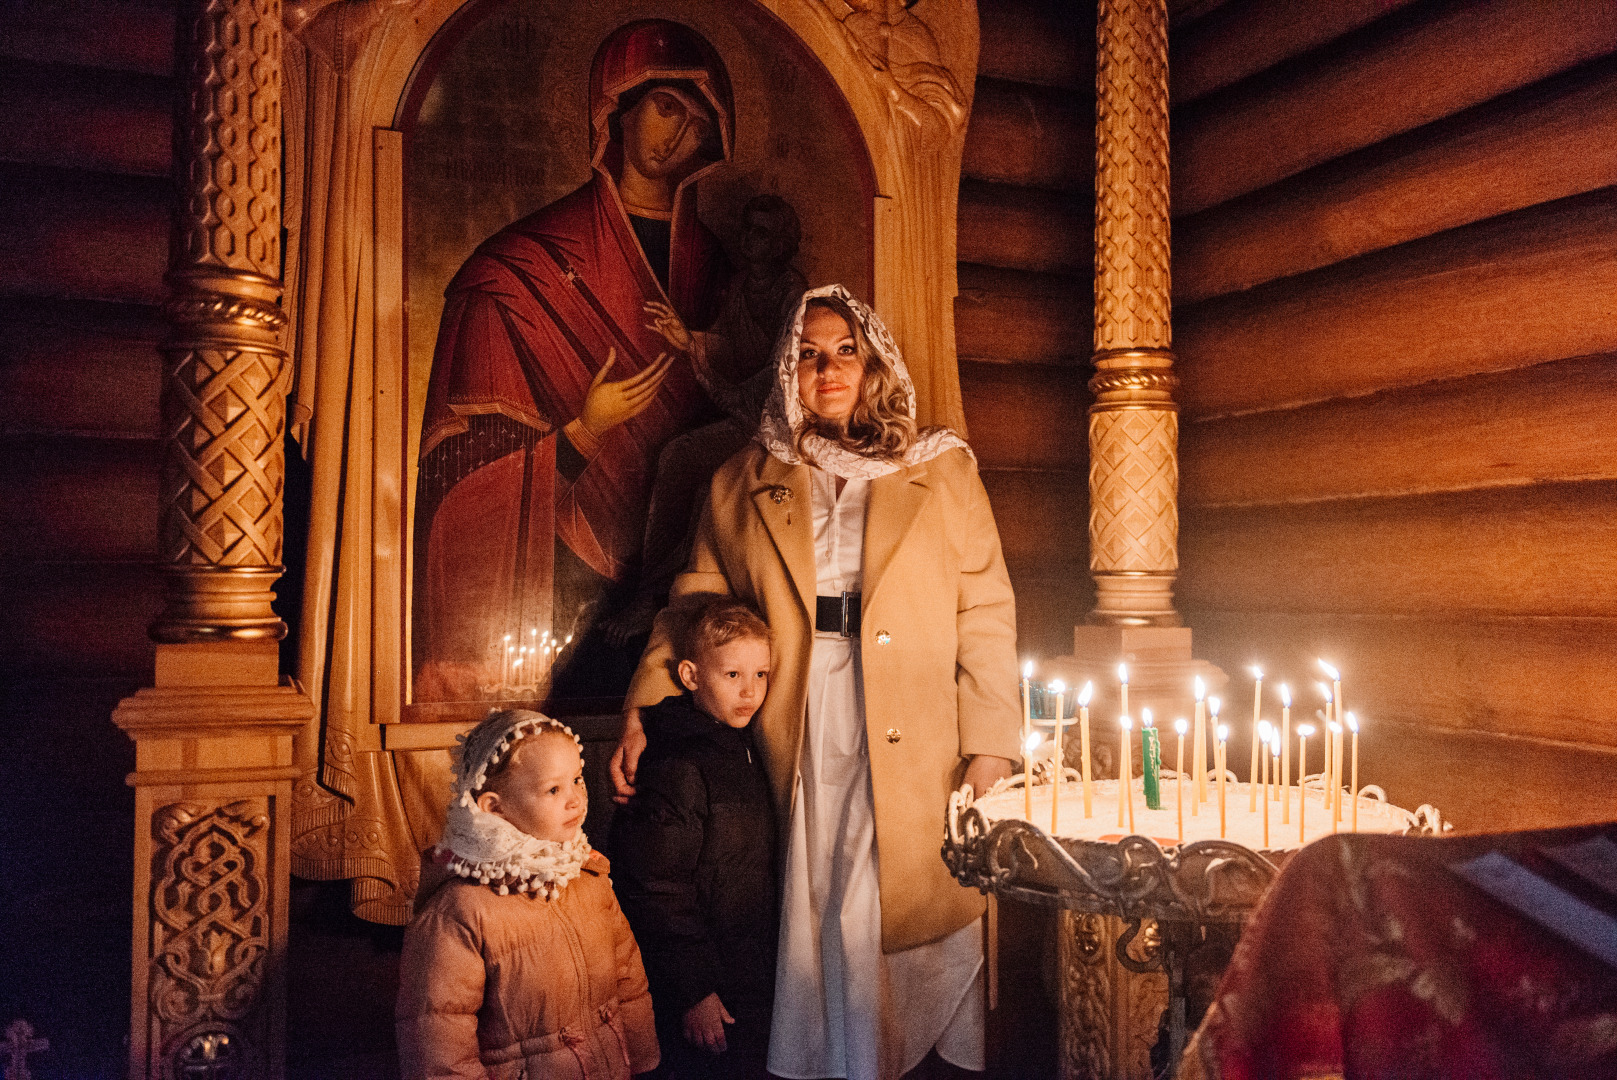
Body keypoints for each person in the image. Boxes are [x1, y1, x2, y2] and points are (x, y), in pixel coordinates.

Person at [613, 285, 1021, 1078]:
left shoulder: (941, 468)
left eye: (845, 352)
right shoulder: (741, 479)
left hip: (915, 712)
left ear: (873, 366)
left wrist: (992, 744)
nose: (827, 370)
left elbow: (987, 611)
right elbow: (694, 605)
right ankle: (824, 1059)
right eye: (807, 353)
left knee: (903, 885)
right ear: (784, 369)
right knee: (816, 882)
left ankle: (895, 1056)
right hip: (797, 705)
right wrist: (644, 708)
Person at [412, 20, 736, 703]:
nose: (677, 135)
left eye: (697, 121)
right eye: (665, 107)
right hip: (560, 580)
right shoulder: (516, 271)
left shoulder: (723, 274)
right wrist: (583, 433)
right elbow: (454, 483)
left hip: (693, 594)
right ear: (615, 109)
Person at [397, 710, 660, 1079]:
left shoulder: (588, 877)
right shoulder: (461, 909)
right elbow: (439, 1038)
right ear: (494, 807)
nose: (575, 799)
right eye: (554, 789)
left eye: (577, 780)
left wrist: (645, 1063)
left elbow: (629, 984)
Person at [608, 597, 779, 1079]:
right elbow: (654, 885)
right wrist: (694, 990)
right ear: (690, 675)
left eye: (761, 675)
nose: (750, 691)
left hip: (741, 968)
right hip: (700, 983)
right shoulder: (677, 760)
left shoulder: (739, 745)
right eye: (732, 676)